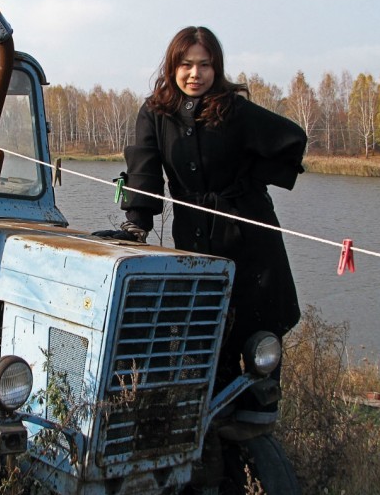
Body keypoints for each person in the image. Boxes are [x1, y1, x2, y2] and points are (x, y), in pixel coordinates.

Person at [98, 26, 307, 425]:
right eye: (186, 64)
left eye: (205, 65)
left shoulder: (233, 109)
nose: (195, 74)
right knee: (205, 329)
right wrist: (135, 226)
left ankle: (256, 434)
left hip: (250, 235)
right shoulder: (155, 112)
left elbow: (291, 139)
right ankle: (207, 426)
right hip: (194, 238)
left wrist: (250, 178)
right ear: (172, 66)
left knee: (257, 327)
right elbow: (144, 169)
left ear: (217, 67)